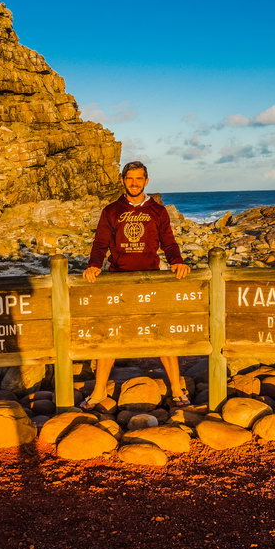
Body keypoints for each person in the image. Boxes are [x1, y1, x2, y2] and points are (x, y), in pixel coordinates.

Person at [81, 160, 192, 409]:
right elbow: (100, 243)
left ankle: (177, 389)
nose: (134, 183)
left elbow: (169, 242)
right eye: (130, 178)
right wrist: (94, 264)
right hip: (118, 279)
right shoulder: (111, 210)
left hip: (150, 279)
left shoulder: (158, 211)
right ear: (123, 180)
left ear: (146, 181)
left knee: (163, 335)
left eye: (139, 179)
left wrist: (177, 261)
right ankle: (99, 391)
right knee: (110, 336)